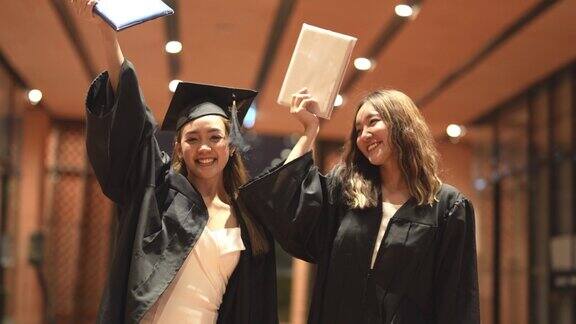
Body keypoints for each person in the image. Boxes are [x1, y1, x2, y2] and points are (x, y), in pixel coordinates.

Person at [74, 1, 278, 323]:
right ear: (179, 148)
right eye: (192, 139)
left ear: (231, 146)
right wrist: (107, 34)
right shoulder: (158, 193)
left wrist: (310, 132)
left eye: (214, 137)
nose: (204, 147)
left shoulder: (246, 217)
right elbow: (132, 123)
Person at [239, 88, 480, 323]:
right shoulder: (346, 193)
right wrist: (309, 131)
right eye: (358, 130)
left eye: (372, 122)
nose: (364, 135)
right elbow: (286, 199)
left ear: (402, 124)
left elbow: (457, 300)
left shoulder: (447, 207)